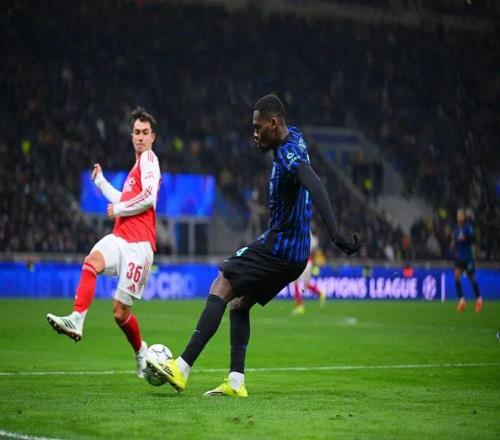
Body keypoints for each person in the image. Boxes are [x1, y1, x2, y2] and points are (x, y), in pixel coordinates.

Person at [147, 94, 361, 397]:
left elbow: (315, 183)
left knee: (222, 282)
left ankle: (181, 368)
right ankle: (235, 382)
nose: (255, 134)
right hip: (295, 254)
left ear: (273, 124)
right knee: (240, 304)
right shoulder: (294, 137)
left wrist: (335, 235)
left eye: (259, 128)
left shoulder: (288, 155)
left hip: (280, 247)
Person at [46, 107, 161, 377]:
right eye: (136, 132)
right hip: (121, 237)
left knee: (120, 313)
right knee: (92, 261)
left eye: (145, 132)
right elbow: (125, 199)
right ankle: (77, 319)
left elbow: (149, 198)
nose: (140, 137)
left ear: (152, 137)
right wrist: (100, 183)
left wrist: (118, 210)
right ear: (131, 136)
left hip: (139, 246)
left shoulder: (149, 159)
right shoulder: (136, 167)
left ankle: (141, 351)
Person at [451, 208, 482, 312]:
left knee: (472, 278)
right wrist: (453, 244)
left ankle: (479, 299)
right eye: (458, 215)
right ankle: (461, 301)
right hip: (459, 257)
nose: (459, 216)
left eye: (460, 215)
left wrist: (466, 238)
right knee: (456, 276)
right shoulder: (456, 229)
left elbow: (474, 239)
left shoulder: (468, 227)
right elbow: (455, 241)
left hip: (468, 257)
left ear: (464, 216)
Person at [291, 230, 326, 315]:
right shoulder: (312, 237)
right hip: (309, 262)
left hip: (302, 262)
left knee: (295, 282)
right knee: (306, 285)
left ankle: (300, 306)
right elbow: (314, 251)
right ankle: (320, 293)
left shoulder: (298, 233)